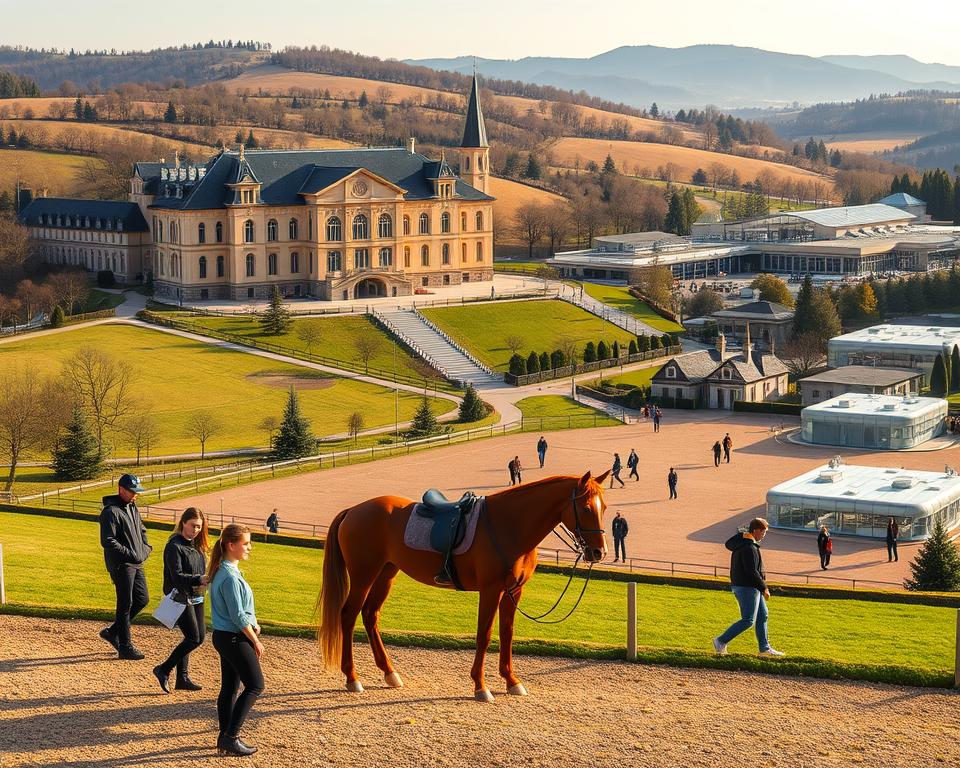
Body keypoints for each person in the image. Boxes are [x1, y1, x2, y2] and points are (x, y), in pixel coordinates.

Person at [210, 524, 264, 757]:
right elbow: (238, 616)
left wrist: (254, 623)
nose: (249, 547)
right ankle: (231, 737)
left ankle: (224, 737)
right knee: (255, 685)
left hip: (225, 636)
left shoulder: (225, 570)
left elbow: (242, 611)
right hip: (233, 637)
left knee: (230, 688)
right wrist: (255, 640)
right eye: (246, 543)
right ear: (231, 545)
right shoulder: (229, 577)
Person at [153, 507, 210, 693]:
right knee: (193, 638)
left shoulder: (197, 546)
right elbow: (176, 576)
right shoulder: (174, 546)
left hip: (197, 596)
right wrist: (199, 579)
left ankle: (182, 678)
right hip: (180, 597)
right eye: (193, 525)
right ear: (183, 523)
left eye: (199, 527)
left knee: (198, 637)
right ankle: (163, 669)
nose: (196, 530)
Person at [713, 518, 784, 658]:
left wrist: (761, 587)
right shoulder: (749, 548)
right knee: (748, 620)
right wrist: (764, 588)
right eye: (763, 532)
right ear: (756, 530)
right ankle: (720, 641)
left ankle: (764, 648)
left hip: (749, 586)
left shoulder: (744, 543)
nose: (764, 535)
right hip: (747, 587)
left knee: (763, 615)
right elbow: (752, 572)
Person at [99, 474, 152, 661]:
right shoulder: (110, 512)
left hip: (136, 562)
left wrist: (146, 549)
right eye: (132, 491)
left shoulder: (132, 507)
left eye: (137, 491)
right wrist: (131, 554)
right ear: (121, 489)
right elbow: (107, 541)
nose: (135, 494)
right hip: (122, 564)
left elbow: (142, 530)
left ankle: (113, 632)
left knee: (142, 599)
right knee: (125, 604)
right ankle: (125, 646)